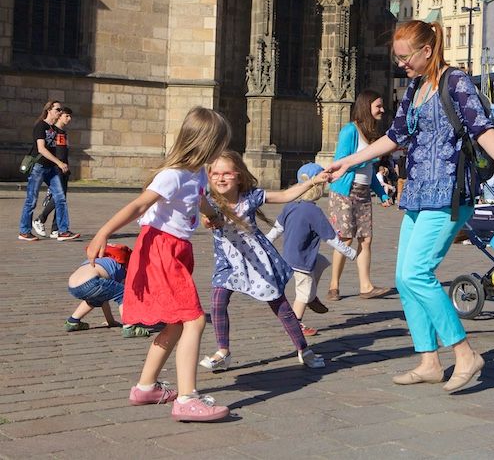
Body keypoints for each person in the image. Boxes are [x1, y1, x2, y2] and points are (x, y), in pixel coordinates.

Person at [327, 20, 494, 393]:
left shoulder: (455, 81)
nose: (401, 64)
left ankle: (465, 354)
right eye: (398, 58)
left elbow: (482, 128)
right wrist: (349, 162)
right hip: (418, 192)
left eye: (405, 57)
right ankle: (429, 361)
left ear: (426, 51)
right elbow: (394, 136)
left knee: (418, 273)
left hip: (450, 193)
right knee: (405, 279)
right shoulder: (416, 87)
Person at [84, 106, 232, 422]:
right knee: (194, 320)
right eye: (219, 144)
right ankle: (187, 399)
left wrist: (214, 215)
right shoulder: (173, 174)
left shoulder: (193, 175)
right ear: (206, 143)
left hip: (176, 250)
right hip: (161, 250)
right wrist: (103, 232)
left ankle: (146, 387)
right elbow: (139, 204)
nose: (221, 152)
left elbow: (199, 198)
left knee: (177, 321)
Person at [199, 152, 328, 372]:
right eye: (215, 174)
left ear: (238, 177)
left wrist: (314, 181)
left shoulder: (250, 197)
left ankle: (303, 349)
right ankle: (223, 351)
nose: (221, 178)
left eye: (227, 173)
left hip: (256, 261)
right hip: (228, 264)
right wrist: (208, 220)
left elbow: (285, 195)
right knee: (218, 302)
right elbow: (208, 216)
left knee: (280, 305)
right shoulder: (210, 202)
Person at [267, 164, 358, 333]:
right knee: (303, 291)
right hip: (301, 260)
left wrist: (265, 242)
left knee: (321, 262)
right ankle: (296, 324)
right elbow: (331, 239)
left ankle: (311, 296)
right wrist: (351, 253)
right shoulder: (313, 211)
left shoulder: (290, 206)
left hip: (289, 256)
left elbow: (276, 229)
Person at [327, 89, 393, 301]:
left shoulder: (371, 132)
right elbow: (342, 162)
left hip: (363, 192)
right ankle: (333, 286)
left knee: (366, 239)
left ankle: (366, 286)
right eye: (378, 106)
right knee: (345, 238)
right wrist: (370, 156)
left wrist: (382, 194)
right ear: (367, 107)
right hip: (345, 192)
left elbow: (370, 172)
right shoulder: (350, 131)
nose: (382, 110)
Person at [18, 101, 79, 242]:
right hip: (38, 167)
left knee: (60, 198)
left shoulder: (53, 128)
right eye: (58, 109)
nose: (60, 112)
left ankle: (62, 231)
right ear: (49, 110)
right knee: (31, 200)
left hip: (50, 168)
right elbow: (41, 149)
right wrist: (60, 163)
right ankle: (24, 231)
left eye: (60, 110)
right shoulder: (41, 126)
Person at [66, 243, 151, 338]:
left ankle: (73, 321)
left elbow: (105, 297)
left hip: (72, 286)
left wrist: (111, 321)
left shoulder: (100, 260)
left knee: (97, 297)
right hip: (92, 282)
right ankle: (129, 327)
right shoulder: (121, 268)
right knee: (124, 293)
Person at [33, 106, 74, 239]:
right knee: (59, 197)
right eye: (66, 116)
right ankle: (40, 219)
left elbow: (64, 151)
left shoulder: (63, 132)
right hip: (57, 167)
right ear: (60, 115)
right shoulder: (54, 131)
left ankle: (55, 229)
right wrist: (59, 165)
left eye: (70, 116)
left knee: (62, 199)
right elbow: (53, 152)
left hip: (64, 167)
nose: (69, 118)